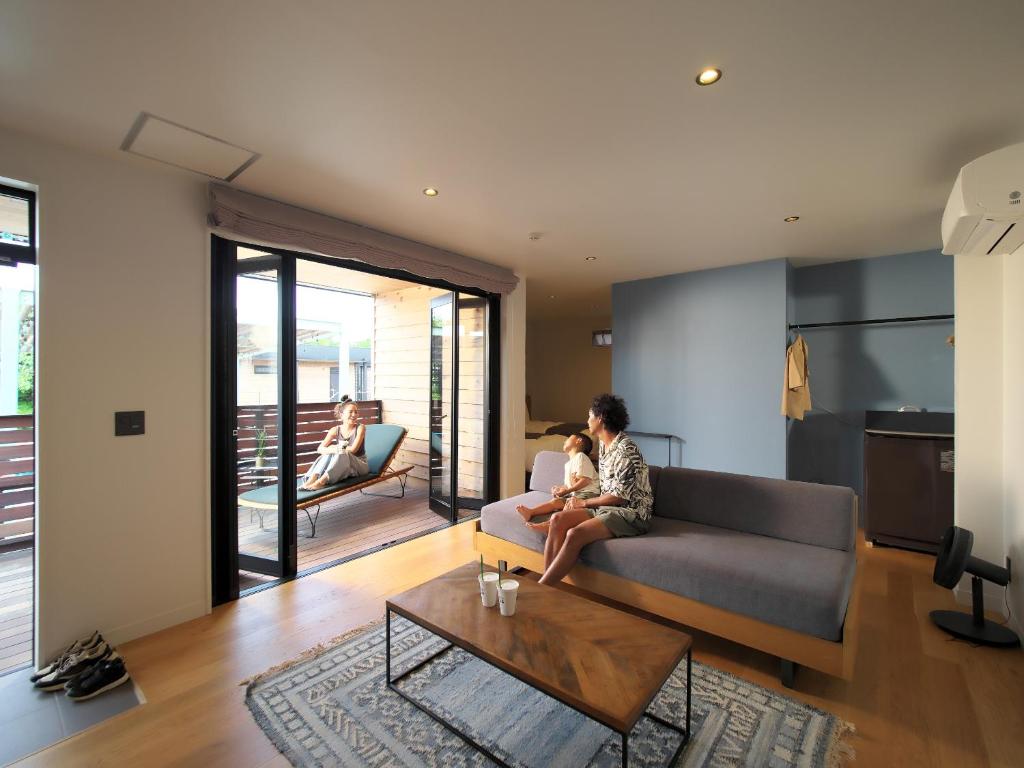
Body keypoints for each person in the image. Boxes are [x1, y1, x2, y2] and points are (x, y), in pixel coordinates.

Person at [537, 393, 653, 586]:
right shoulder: (604, 446)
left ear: (601, 419)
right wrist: (572, 485)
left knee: (574, 534)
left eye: (590, 416)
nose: (587, 420)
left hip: (631, 513)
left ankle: (541, 588)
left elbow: (619, 497)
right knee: (557, 519)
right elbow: (599, 479)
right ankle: (548, 586)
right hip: (606, 508)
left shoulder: (626, 450)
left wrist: (583, 502)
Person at [514, 433, 598, 531]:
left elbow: (586, 480)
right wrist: (560, 489)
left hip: (589, 494)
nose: (564, 441)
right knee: (556, 502)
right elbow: (569, 485)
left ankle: (549, 525)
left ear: (578, 441)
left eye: (568, 438)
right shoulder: (568, 464)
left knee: (569, 506)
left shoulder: (581, 457)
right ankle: (531, 512)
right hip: (576, 494)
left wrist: (567, 491)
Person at [301, 396, 369, 490]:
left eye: (356, 412)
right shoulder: (335, 430)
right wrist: (332, 449)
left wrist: (336, 447)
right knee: (328, 453)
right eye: (350, 412)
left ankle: (321, 482)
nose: (354, 414)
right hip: (344, 465)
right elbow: (320, 449)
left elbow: (353, 450)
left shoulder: (361, 428)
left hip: (360, 465)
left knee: (341, 452)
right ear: (341, 415)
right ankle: (312, 479)